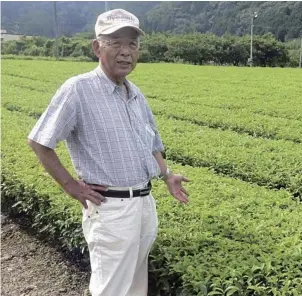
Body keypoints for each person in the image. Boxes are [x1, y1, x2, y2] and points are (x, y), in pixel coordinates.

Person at [26, 9, 189, 296]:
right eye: (115, 43)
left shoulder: (135, 94)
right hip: (110, 208)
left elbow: (151, 144)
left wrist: (167, 176)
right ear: (97, 47)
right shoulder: (79, 89)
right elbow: (40, 141)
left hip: (144, 203)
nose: (125, 52)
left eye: (132, 44)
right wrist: (70, 186)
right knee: (111, 288)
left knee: (136, 285)